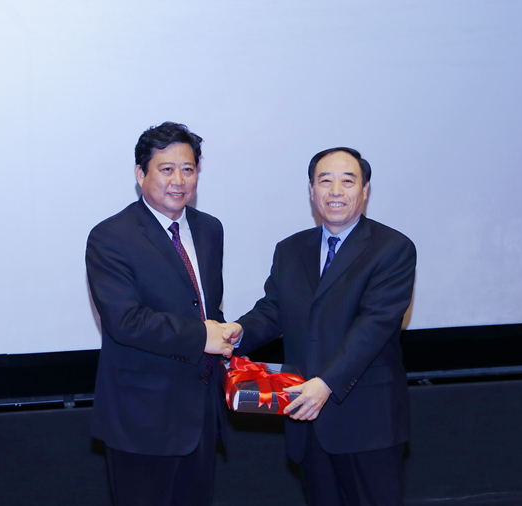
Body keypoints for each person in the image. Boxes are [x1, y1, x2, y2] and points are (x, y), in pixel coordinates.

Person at [222, 147, 417, 506]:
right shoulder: (290, 249)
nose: (335, 191)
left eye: (348, 181)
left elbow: (373, 326)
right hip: (307, 420)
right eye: (325, 181)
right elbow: (273, 311)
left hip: (366, 421)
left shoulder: (392, 249)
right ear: (312, 191)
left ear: (365, 190)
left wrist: (325, 383)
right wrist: (236, 332)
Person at [86, 122, 233, 506]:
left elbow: (203, 306)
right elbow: (125, 321)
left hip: (201, 414)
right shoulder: (111, 237)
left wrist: (224, 333)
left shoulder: (209, 229)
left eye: (188, 169)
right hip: (142, 420)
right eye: (166, 169)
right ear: (141, 174)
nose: (179, 180)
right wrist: (203, 336)